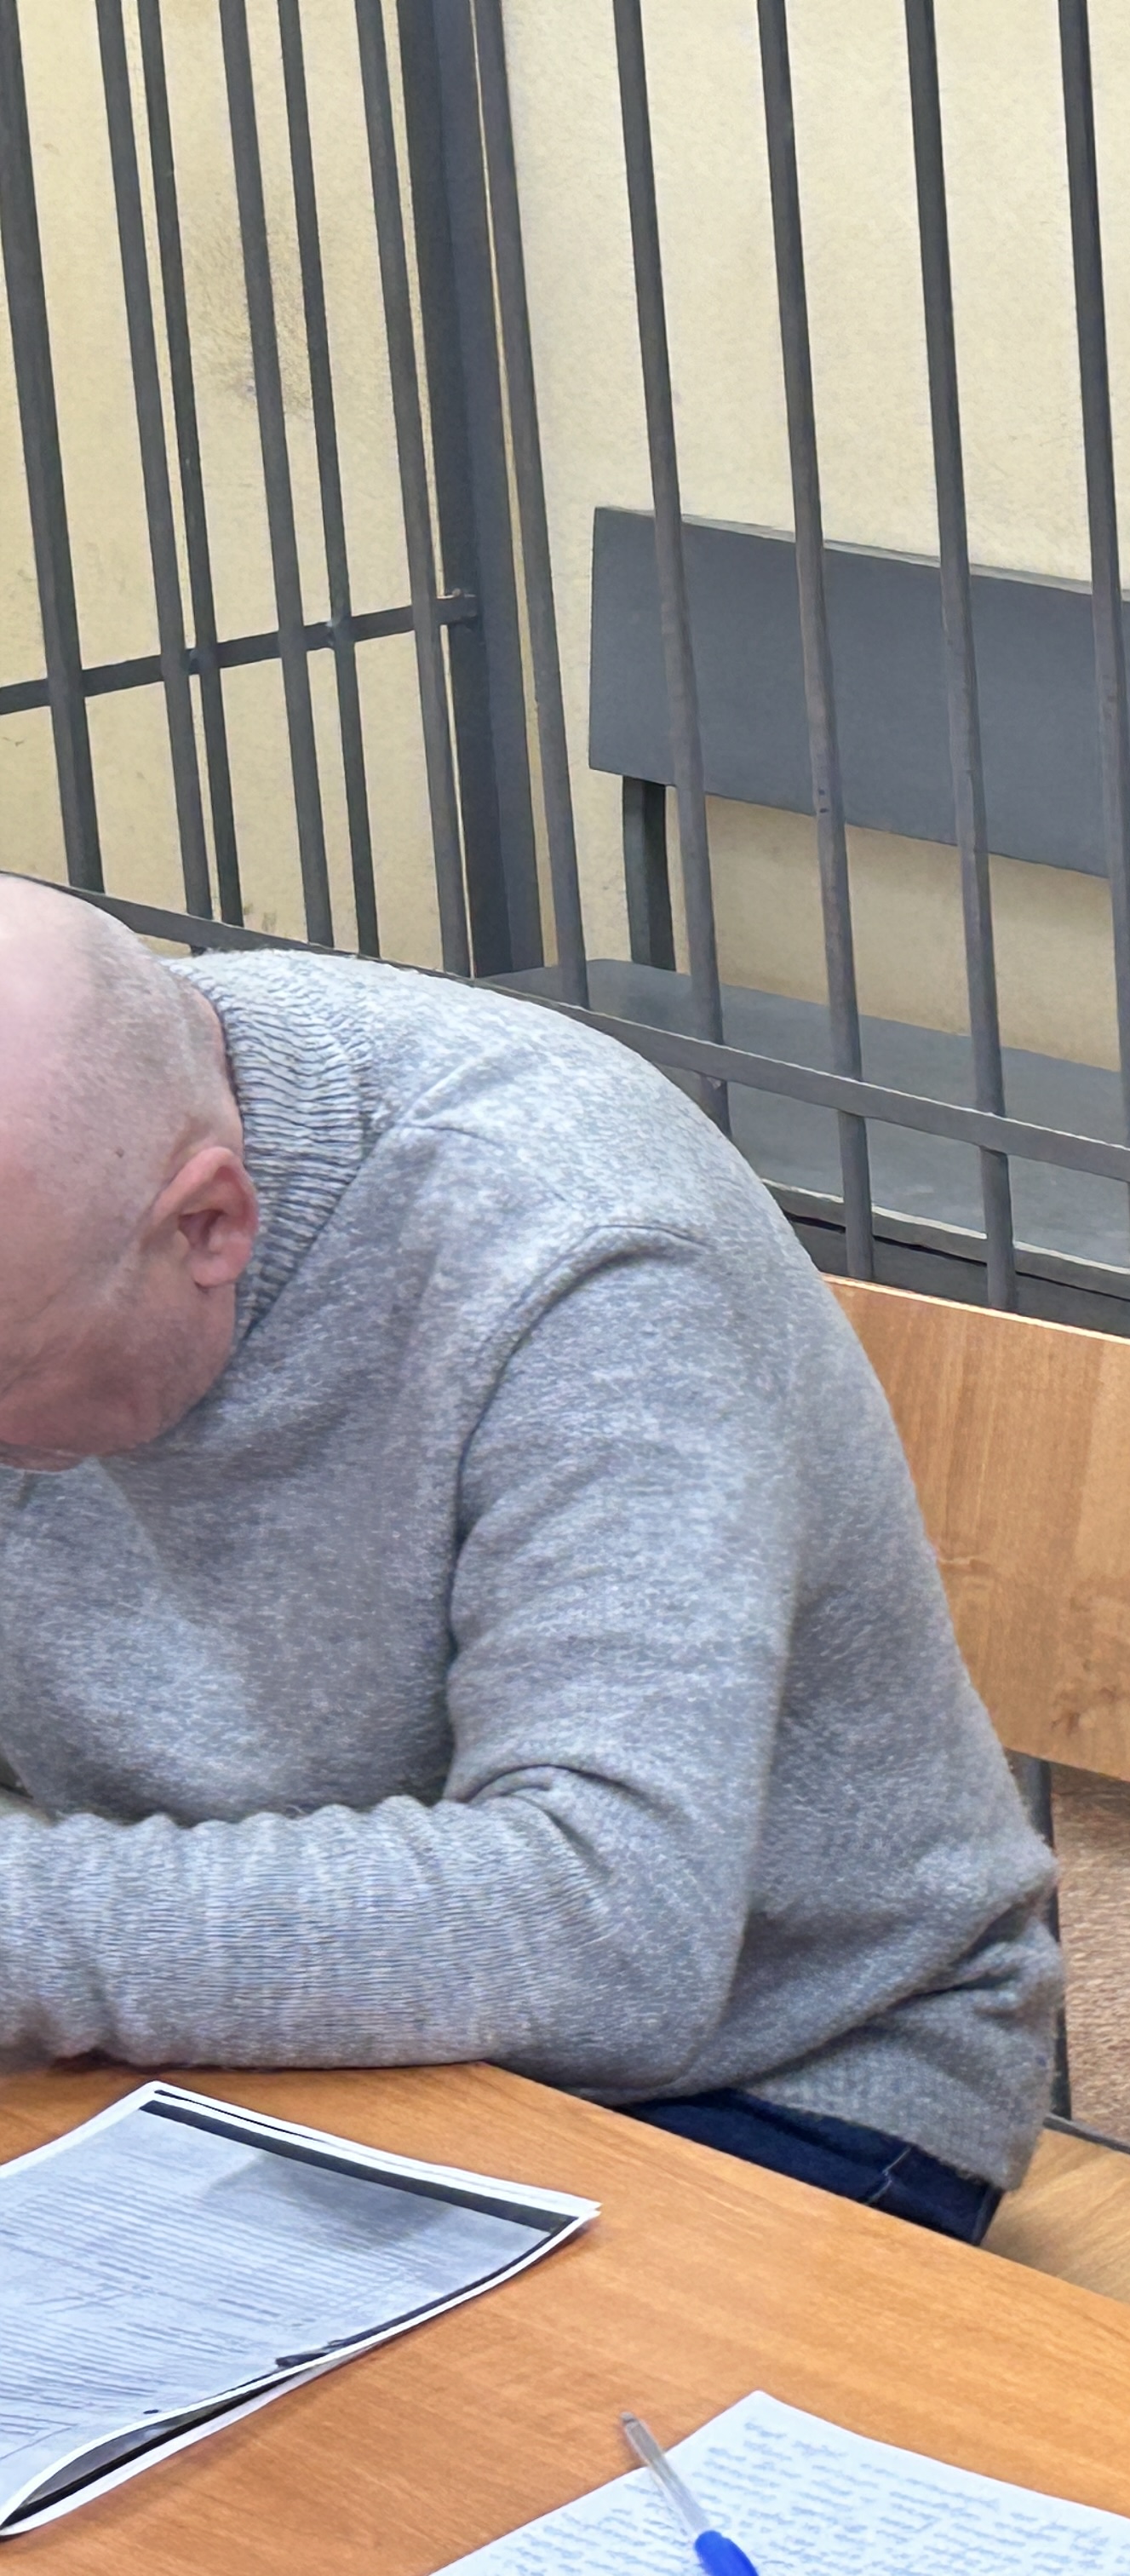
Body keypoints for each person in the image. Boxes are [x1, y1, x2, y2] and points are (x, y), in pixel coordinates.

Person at [0, 882, 1058, 2242]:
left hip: (762, 2064)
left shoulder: (581, 1248)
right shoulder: (54, 1211)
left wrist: (29, 1927)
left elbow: (610, 1930)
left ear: (207, 1226)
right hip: (206, 2011)